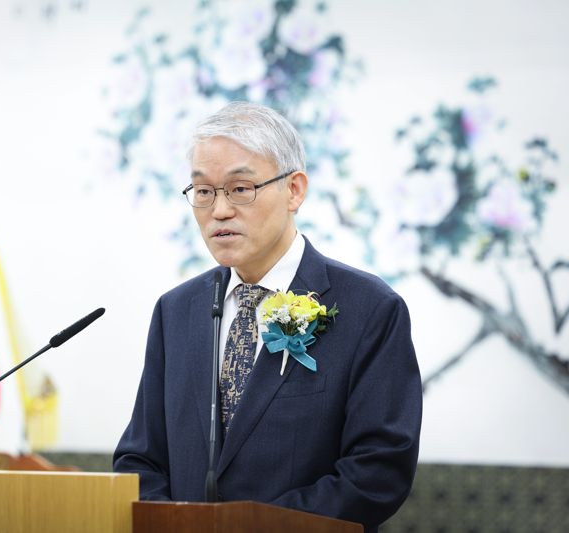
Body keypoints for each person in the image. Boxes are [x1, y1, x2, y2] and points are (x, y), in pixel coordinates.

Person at [113, 101, 422, 532]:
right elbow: (139, 459)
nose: (219, 210)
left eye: (240, 188)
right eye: (203, 192)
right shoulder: (176, 311)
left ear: (294, 190)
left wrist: (251, 526)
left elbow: (378, 472)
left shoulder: (370, 309)